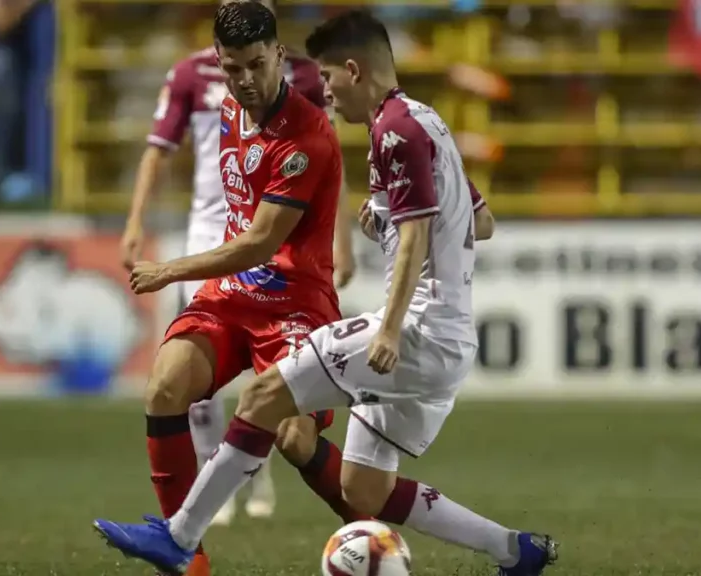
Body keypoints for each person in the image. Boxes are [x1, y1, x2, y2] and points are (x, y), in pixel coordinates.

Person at [92, 10, 557, 576]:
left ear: (355, 71)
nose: (326, 93)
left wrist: (388, 324)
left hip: (412, 331)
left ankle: (181, 538)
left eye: (331, 78)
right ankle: (515, 550)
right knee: (362, 489)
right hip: (444, 339)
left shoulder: (392, 132)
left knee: (263, 400)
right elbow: (479, 224)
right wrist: (387, 216)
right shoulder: (425, 123)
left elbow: (413, 235)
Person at [95, 3, 367, 575]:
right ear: (219, 62)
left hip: (296, 302)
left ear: (279, 57)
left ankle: (371, 530)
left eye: (256, 64)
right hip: (232, 297)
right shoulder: (228, 112)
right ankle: (187, 559)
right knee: (165, 386)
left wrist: (168, 270)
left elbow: (259, 244)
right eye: (232, 67)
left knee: (294, 438)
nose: (245, 79)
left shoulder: (306, 135)